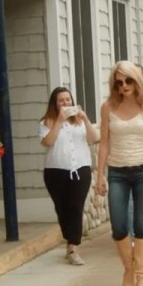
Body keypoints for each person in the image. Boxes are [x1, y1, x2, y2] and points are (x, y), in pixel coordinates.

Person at [95, 60, 143, 286]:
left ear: (137, 81)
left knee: (142, 224)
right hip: (117, 172)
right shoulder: (108, 107)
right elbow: (104, 142)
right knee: (119, 225)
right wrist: (99, 176)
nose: (123, 86)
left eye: (128, 81)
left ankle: (142, 279)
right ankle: (129, 268)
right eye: (119, 82)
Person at [39, 87, 98, 265]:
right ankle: (69, 239)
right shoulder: (47, 121)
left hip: (80, 169)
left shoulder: (79, 121)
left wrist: (86, 119)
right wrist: (59, 121)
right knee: (62, 208)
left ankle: (73, 247)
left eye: (68, 100)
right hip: (55, 170)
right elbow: (47, 142)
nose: (65, 103)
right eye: (61, 100)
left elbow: (94, 138)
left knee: (75, 207)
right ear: (55, 104)